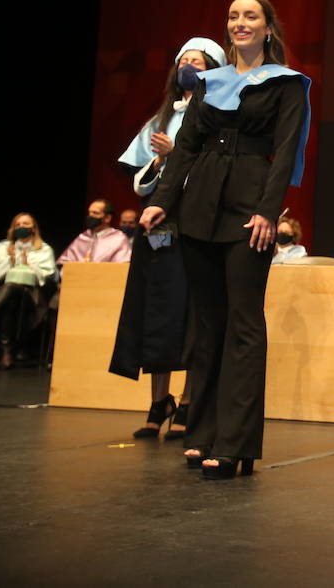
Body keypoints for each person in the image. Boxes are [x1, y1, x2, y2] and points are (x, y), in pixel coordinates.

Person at [140, 0, 311, 480]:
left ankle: (235, 443)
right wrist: (160, 201)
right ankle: (202, 433)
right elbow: (187, 147)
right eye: (233, 16)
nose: (240, 23)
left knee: (242, 325)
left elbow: (286, 152)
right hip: (200, 208)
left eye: (250, 16)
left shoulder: (287, 84)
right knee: (207, 325)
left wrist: (267, 212)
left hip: (248, 206)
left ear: (268, 28)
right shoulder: (210, 83)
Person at [110, 37, 225, 441]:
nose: (188, 67)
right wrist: (160, 162)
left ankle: (191, 399)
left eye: (197, 61)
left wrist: (178, 155)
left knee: (192, 314)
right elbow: (138, 179)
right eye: (184, 61)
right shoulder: (158, 119)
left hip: (195, 225)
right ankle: (160, 400)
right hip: (157, 228)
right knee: (157, 311)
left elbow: (215, 172)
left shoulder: (217, 115)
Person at [0, 214, 57, 369]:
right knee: (9, 294)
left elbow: (48, 277)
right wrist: (10, 261)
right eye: (17, 224)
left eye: (25, 223)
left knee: (11, 289)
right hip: (4, 292)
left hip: (31, 295)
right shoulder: (2, 247)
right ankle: (7, 352)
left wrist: (29, 264)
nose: (21, 227)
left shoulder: (43, 249)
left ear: (33, 228)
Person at [59, 199, 133, 263]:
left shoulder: (119, 238)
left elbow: (122, 266)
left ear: (107, 218)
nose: (90, 216)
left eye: (95, 213)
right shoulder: (83, 236)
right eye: (89, 213)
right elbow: (65, 262)